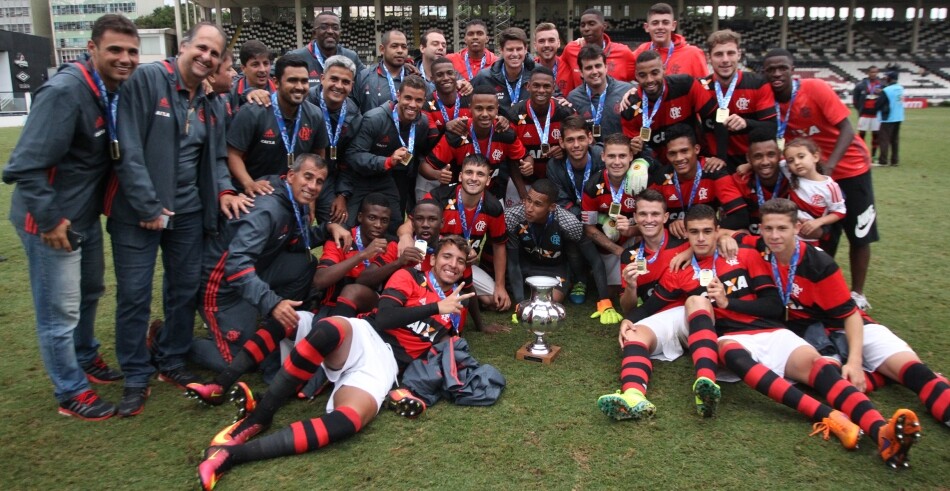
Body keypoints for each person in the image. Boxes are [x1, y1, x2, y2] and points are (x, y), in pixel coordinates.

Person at [615, 205, 921, 472]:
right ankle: (830, 417)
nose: (700, 239)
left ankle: (881, 431)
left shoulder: (744, 254)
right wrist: (631, 319)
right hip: (733, 339)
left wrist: (727, 302)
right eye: (693, 233)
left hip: (770, 330)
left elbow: (774, 306)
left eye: (708, 231)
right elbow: (653, 306)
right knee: (731, 353)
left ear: (718, 231)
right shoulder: (680, 268)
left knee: (821, 370)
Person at [196, 237, 476, 490]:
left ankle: (232, 456)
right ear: (434, 258)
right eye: (447, 256)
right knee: (327, 330)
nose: (452, 264)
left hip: (385, 366)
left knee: (350, 421)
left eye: (460, 261)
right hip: (366, 335)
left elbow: (437, 356)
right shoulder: (410, 277)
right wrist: (435, 307)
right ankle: (258, 416)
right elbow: (385, 318)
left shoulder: (456, 312)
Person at [107, 22, 249, 416]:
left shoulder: (211, 100)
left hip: (188, 212)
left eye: (215, 54)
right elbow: (127, 146)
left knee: (184, 289)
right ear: (183, 46)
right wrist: (148, 205)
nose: (207, 57)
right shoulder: (149, 79)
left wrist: (222, 191)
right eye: (201, 48)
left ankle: (171, 360)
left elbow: (218, 158)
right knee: (134, 294)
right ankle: (136, 375)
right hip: (138, 212)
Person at [3, 14, 139, 420]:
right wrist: (49, 220)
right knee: (58, 312)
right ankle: (70, 390)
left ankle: (85, 356)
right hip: (51, 223)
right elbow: (23, 165)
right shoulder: (65, 91)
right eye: (114, 49)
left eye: (132, 51)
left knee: (91, 290)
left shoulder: (109, 90)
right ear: (92, 48)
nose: (125, 58)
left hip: (81, 217)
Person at [752, 198, 948, 432]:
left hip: (851, 326)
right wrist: (726, 237)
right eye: (769, 229)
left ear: (796, 228)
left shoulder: (819, 264)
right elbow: (730, 236)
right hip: (811, 335)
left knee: (913, 371)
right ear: (761, 229)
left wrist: (855, 362)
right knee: (827, 379)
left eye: (782, 228)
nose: (775, 236)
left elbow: (851, 315)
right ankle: (880, 401)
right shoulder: (757, 249)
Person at [192, 155, 349, 372]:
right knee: (240, 358)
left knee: (304, 263)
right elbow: (236, 266)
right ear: (292, 175)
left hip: (254, 273)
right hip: (221, 287)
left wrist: (328, 228)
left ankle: (272, 321)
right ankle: (171, 342)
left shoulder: (292, 198)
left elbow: (295, 242)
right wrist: (272, 302)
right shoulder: (268, 209)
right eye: (308, 177)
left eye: (319, 181)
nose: (312, 186)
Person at [761, 49, 877, 310]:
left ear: (793, 69)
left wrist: (830, 167)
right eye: (771, 70)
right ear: (764, 73)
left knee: (860, 232)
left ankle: (857, 293)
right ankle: (823, 286)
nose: (777, 73)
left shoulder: (815, 88)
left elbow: (847, 128)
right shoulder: (769, 100)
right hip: (810, 174)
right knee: (823, 234)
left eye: (782, 68)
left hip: (850, 170)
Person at [410, 155, 510, 332]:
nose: (473, 178)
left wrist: (500, 287)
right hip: (432, 259)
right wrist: (404, 238)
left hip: (464, 265)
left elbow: (499, 245)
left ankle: (453, 290)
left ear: (488, 180)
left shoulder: (493, 207)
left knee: (492, 301)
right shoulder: (439, 197)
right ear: (460, 176)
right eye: (469, 172)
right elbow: (408, 226)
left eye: (480, 174)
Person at [507, 179, 615, 322]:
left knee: (548, 304)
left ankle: (575, 281)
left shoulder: (569, 223)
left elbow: (594, 260)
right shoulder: (512, 217)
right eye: (528, 200)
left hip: (554, 268)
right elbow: (513, 263)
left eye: (537, 204)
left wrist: (604, 301)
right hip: (525, 265)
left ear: (551, 207)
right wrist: (520, 303)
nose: (529, 208)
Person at [341, 74, 438, 231]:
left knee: (395, 223)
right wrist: (386, 161)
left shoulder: (422, 123)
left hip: (390, 179)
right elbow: (354, 155)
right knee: (349, 224)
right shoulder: (375, 119)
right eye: (408, 98)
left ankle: (388, 255)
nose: (413, 104)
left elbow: (419, 151)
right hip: (361, 178)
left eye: (418, 100)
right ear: (398, 96)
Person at [226, 55, 329, 198]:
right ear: (276, 82)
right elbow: (233, 154)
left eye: (304, 81)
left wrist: (310, 198)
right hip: (257, 195)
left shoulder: (315, 115)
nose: (299, 87)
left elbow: (318, 155)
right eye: (292, 80)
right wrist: (249, 183)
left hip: (293, 195)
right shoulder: (253, 111)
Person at [422, 85, 529, 201]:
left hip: (493, 196)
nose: (484, 114)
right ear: (470, 109)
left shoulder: (504, 132)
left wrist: (528, 165)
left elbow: (524, 158)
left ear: (497, 109)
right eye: (479, 108)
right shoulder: (457, 133)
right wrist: (437, 174)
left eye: (490, 109)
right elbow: (424, 167)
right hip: (459, 199)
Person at [545, 115, 609, 303]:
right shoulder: (554, 165)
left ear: (590, 138)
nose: (576, 145)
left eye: (581, 138)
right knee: (570, 225)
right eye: (570, 140)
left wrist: (600, 217)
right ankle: (580, 278)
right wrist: (585, 218)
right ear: (561, 143)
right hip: (577, 215)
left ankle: (612, 277)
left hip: (605, 213)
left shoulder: (601, 156)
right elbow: (562, 201)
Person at [647, 124, 749, 238]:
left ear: (696, 149)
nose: (679, 158)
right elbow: (646, 219)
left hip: (708, 239)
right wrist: (669, 224)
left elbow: (740, 216)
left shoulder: (714, 172)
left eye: (684, 151)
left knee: (742, 233)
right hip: (677, 239)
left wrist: (697, 229)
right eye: (672, 153)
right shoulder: (659, 179)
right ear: (667, 155)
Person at [696, 30, 776, 171]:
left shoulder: (758, 84)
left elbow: (772, 127)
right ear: (709, 58)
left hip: (751, 165)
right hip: (714, 165)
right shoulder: (699, 87)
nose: (725, 59)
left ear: (739, 54)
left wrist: (746, 123)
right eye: (719, 54)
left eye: (730, 53)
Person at [580, 133, 640, 318]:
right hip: (609, 246)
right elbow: (589, 229)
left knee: (638, 288)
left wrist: (631, 229)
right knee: (613, 291)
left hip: (635, 240)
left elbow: (653, 223)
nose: (617, 162)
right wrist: (617, 250)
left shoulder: (641, 181)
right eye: (612, 156)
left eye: (622, 156)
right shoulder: (592, 186)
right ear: (603, 156)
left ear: (631, 156)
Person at [306, 55, 363, 225]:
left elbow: (349, 159)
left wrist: (342, 194)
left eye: (345, 82)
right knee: (296, 225)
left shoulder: (353, 114)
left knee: (339, 226)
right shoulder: (304, 101)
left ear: (352, 86)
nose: (339, 86)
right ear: (322, 79)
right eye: (334, 79)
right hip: (298, 175)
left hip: (328, 178)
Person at [620, 50, 705, 161]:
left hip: (692, 162)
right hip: (656, 168)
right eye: (642, 75)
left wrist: (717, 156)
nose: (649, 80)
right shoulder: (630, 107)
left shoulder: (685, 86)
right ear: (636, 76)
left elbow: (711, 113)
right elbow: (634, 151)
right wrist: (635, 149)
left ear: (664, 69)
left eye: (654, 73)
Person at [508, 66, 576, 200]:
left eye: (546, 86)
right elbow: (510, 159)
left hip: (557, 183)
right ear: (528, 86)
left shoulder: (565, 112)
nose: (541, 90)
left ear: (554, 87)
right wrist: (523, 194)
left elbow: (580, 142)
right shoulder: (515, 114)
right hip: (524, 183)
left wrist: (565, 149)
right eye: (536, 86)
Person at [782, 137, 846, 245]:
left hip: (810, 241)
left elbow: (840, 211)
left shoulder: (830, 186)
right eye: (791, 160)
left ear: (815, 157)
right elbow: (774, 161)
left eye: (801, 156)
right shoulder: (791, 176)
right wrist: (748, 165)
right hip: (788, 238)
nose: (797, 162)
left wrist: (818, 222)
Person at [559, 8, 636, 94]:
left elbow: (643, 77)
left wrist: (634, 91)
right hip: (582, 105)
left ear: (604, 26)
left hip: (616, 106)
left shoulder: (623, 52)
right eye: (582, 25)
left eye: (591, 24)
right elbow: (555, 68)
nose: (586, 28)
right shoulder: (571, 50)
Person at [567, 45, 633, 145]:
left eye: (598, 66)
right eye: (589, 68)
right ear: (581, 72)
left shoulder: (626, 91)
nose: (594, 72)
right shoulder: (573, 98)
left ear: (606, 67)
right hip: (592, 157)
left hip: (620, 157)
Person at [285, 11, 365, 89]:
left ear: (340, 33)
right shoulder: (295, 57)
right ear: (314, 33)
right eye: (323, 27)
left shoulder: (351, 56)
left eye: (335, 28)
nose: (330, 31)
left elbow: (368, 80)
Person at [731, 130, 790, 234]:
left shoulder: (792, 177)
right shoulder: (738, 182)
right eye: (758, 156)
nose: (765, 162)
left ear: (780, 155)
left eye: (771, 155)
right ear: (748, 158)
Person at [631, 2, 708, 78]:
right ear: (647, 27)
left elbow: (705, 87)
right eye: (655, 23)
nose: (660, 27)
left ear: (673, 26)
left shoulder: (693, 54)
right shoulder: (641, 51)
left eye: (665, 23)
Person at [352, 30, 418, 114]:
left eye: (404, 47)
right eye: (394, 46)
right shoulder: (363, 77)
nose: (400, 50)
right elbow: (353, 111)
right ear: (382, 49)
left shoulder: (415, 77)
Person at [472, 27, 536, 113]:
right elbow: (468, 104)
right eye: (510, 50)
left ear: (525, 49)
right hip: (498, 125)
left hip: (528, 125)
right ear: (501, 50)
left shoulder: (537, 74)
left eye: (519, 49)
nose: (515, 54)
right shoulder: (484, 77)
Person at [229, 40, 275, 112]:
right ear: (243, 68)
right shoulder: (230, 93)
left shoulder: (280, 91)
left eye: (266, 63)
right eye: (255, 64)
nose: (262, 70)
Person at [852, 66, 882, 161]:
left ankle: (873, 155)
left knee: (876, 135)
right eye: (872, 72)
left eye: (875, 72)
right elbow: (855, 99)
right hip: (864, 114)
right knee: (862, 135)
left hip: (876, 114)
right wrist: (860, 109)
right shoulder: (860, 85)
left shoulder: (881, 84)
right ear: (868, 73)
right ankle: (862, 154)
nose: (873, 74)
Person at [533, 22, 570, 95]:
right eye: (541, 41)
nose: (546, 45)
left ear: (558, 43)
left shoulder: (569, 68)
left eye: (551, 40)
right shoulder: (528, 69)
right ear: (535, 46)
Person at [877, 71, 904, 167]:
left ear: (890, 78)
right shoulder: (900, 88)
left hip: (888, 117)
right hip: (899, 116)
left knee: (884, 139)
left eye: (887, 77)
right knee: (895, 140)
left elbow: (879, 103)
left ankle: (883, 160)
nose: (885, 78)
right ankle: (894, 160)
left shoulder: (887, 90)